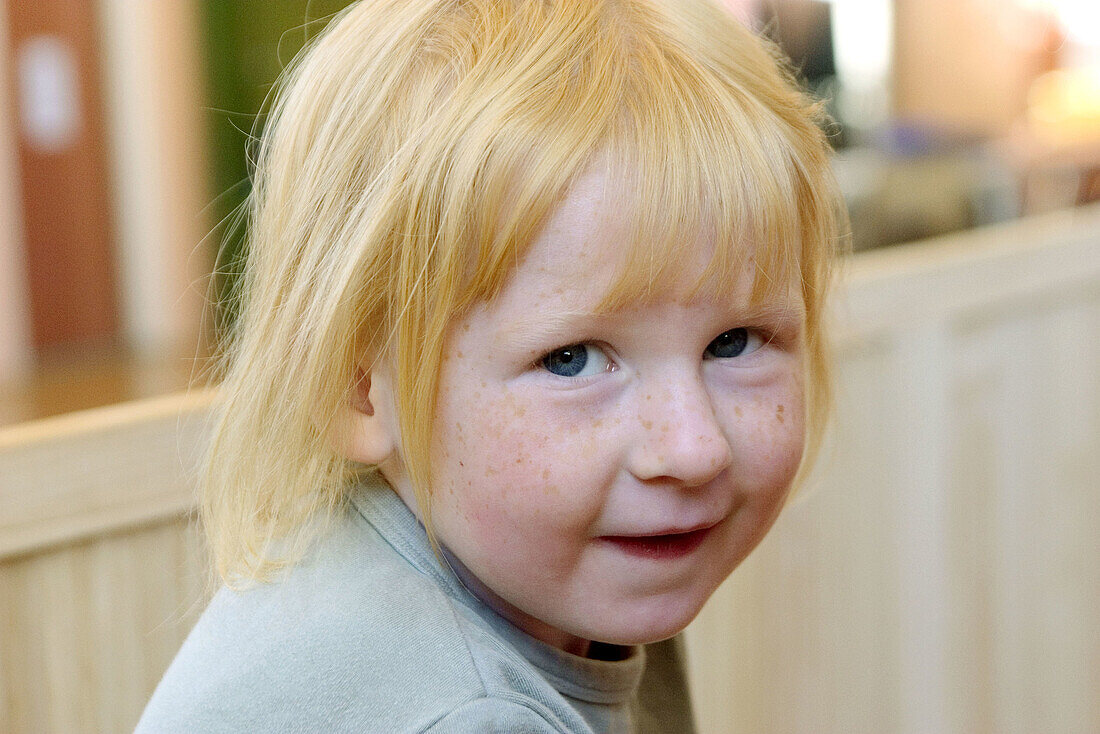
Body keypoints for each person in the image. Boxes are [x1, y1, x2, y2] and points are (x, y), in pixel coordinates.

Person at [136, 0, 844, 731]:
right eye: (571, 360)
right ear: (358, 388)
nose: (694, 449)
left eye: (734, 342)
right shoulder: (470, 715)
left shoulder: (538, 573)